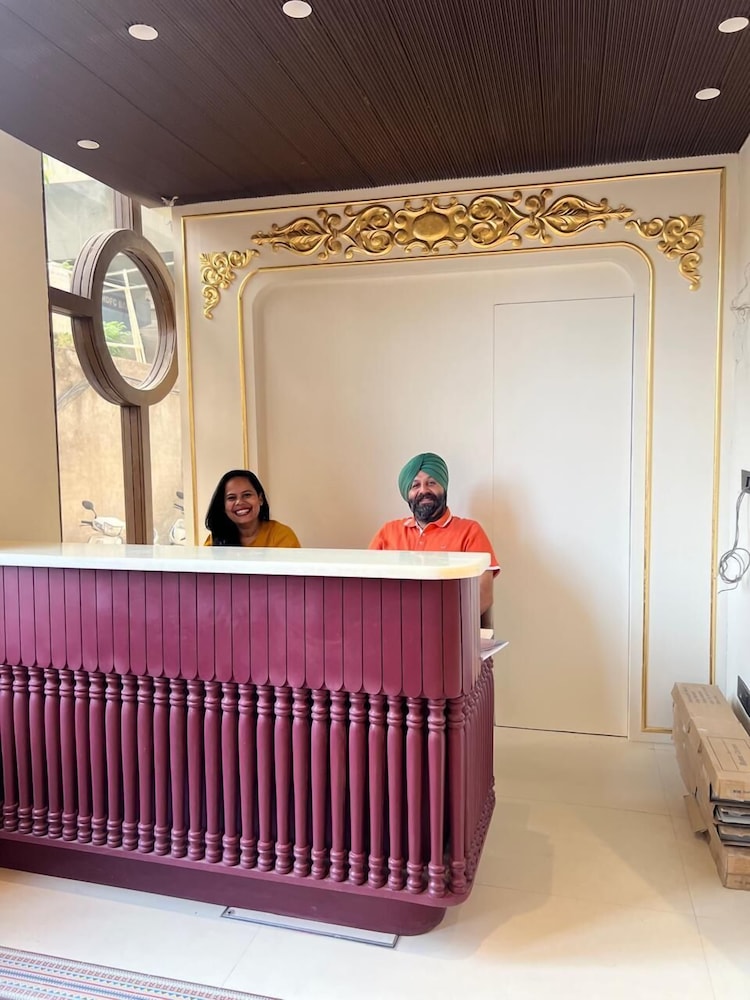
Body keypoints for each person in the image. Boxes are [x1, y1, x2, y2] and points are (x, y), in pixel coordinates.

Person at [369, 452, 499, 616]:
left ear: (444, 488)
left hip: (448, 627)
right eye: (415, 485)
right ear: (407, 494)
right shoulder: (388, 532)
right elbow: (368, 588)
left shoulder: (470, 532)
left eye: (431, 483)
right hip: (392, 624)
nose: (423, 490)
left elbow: (483, 596)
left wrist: (442, 624)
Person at [204, 469, 300, 548]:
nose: (239, 502)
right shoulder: (215, 540)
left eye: (247, 495)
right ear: (223, 506)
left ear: (260, 499)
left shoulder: (281, 536)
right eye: (231, 498)